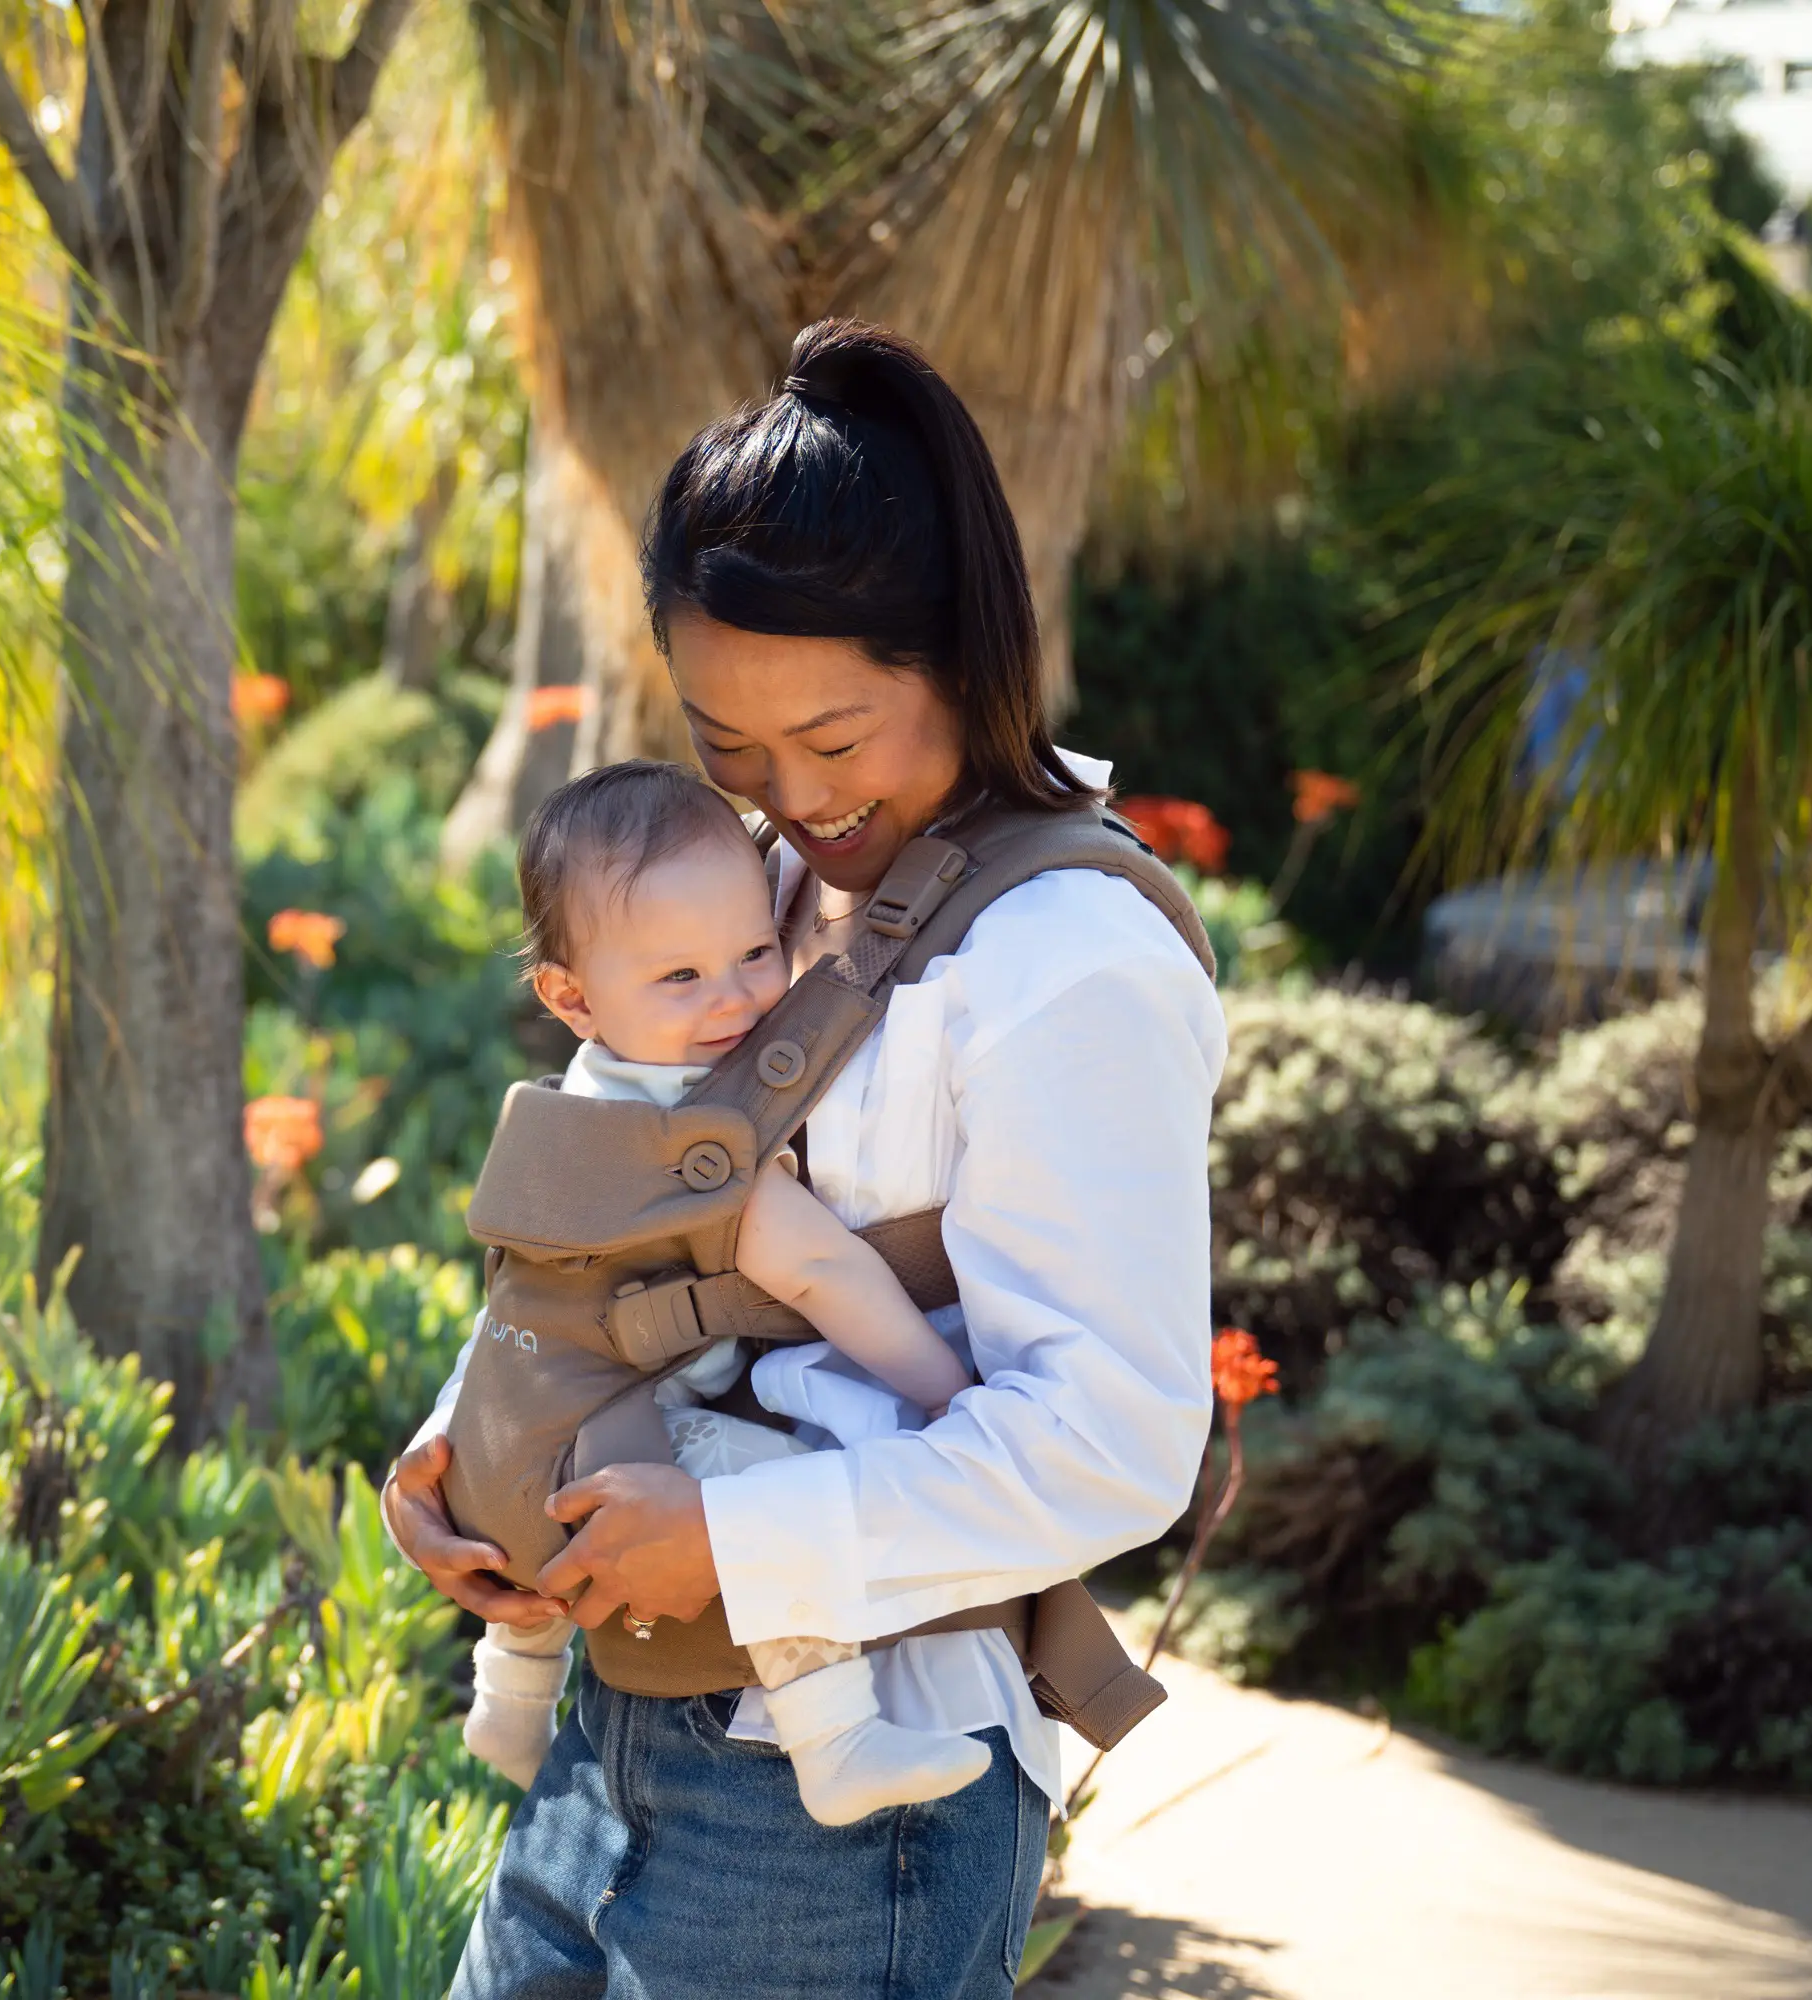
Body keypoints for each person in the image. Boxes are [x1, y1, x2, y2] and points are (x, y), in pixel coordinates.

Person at [382, 317, 1227, 1998]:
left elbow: (1116, 1446)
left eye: (835, 743)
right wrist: (473, 1459)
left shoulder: (1070, 961)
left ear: (966, 659)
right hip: (608, 1740)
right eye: (727, 747)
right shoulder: (732, 889)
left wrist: (734, 1548)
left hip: (849, 1808)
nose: (789, 797)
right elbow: (605, 1225)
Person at [462, 756, 988, 1824]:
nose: (737, 997)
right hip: (603, 1469)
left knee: (551, 1526)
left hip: (493, 1442)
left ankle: (507, 1698)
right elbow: (824, 1268)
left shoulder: (574, 1104)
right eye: (680, 977)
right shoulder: (692, 1138)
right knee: (763, 1500)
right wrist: (949, 1390)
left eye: (755, 952)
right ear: (568, 995)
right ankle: (834, 1735)